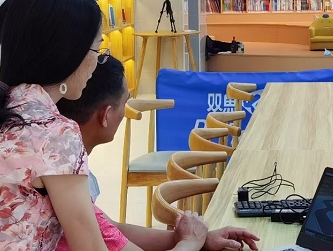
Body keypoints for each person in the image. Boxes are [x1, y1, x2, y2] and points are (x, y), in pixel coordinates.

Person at [0, 0, 204, 251]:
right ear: (69, 55)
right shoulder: (55, 133)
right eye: (97, 49)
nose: (97, 62)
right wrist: (191, 242)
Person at [55, 56, 260, 251]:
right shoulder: (65, 181)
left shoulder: (63, 164)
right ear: (106, 115)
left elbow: (111, 231)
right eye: (125, 103)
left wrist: (197, 238)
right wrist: (190, 242)